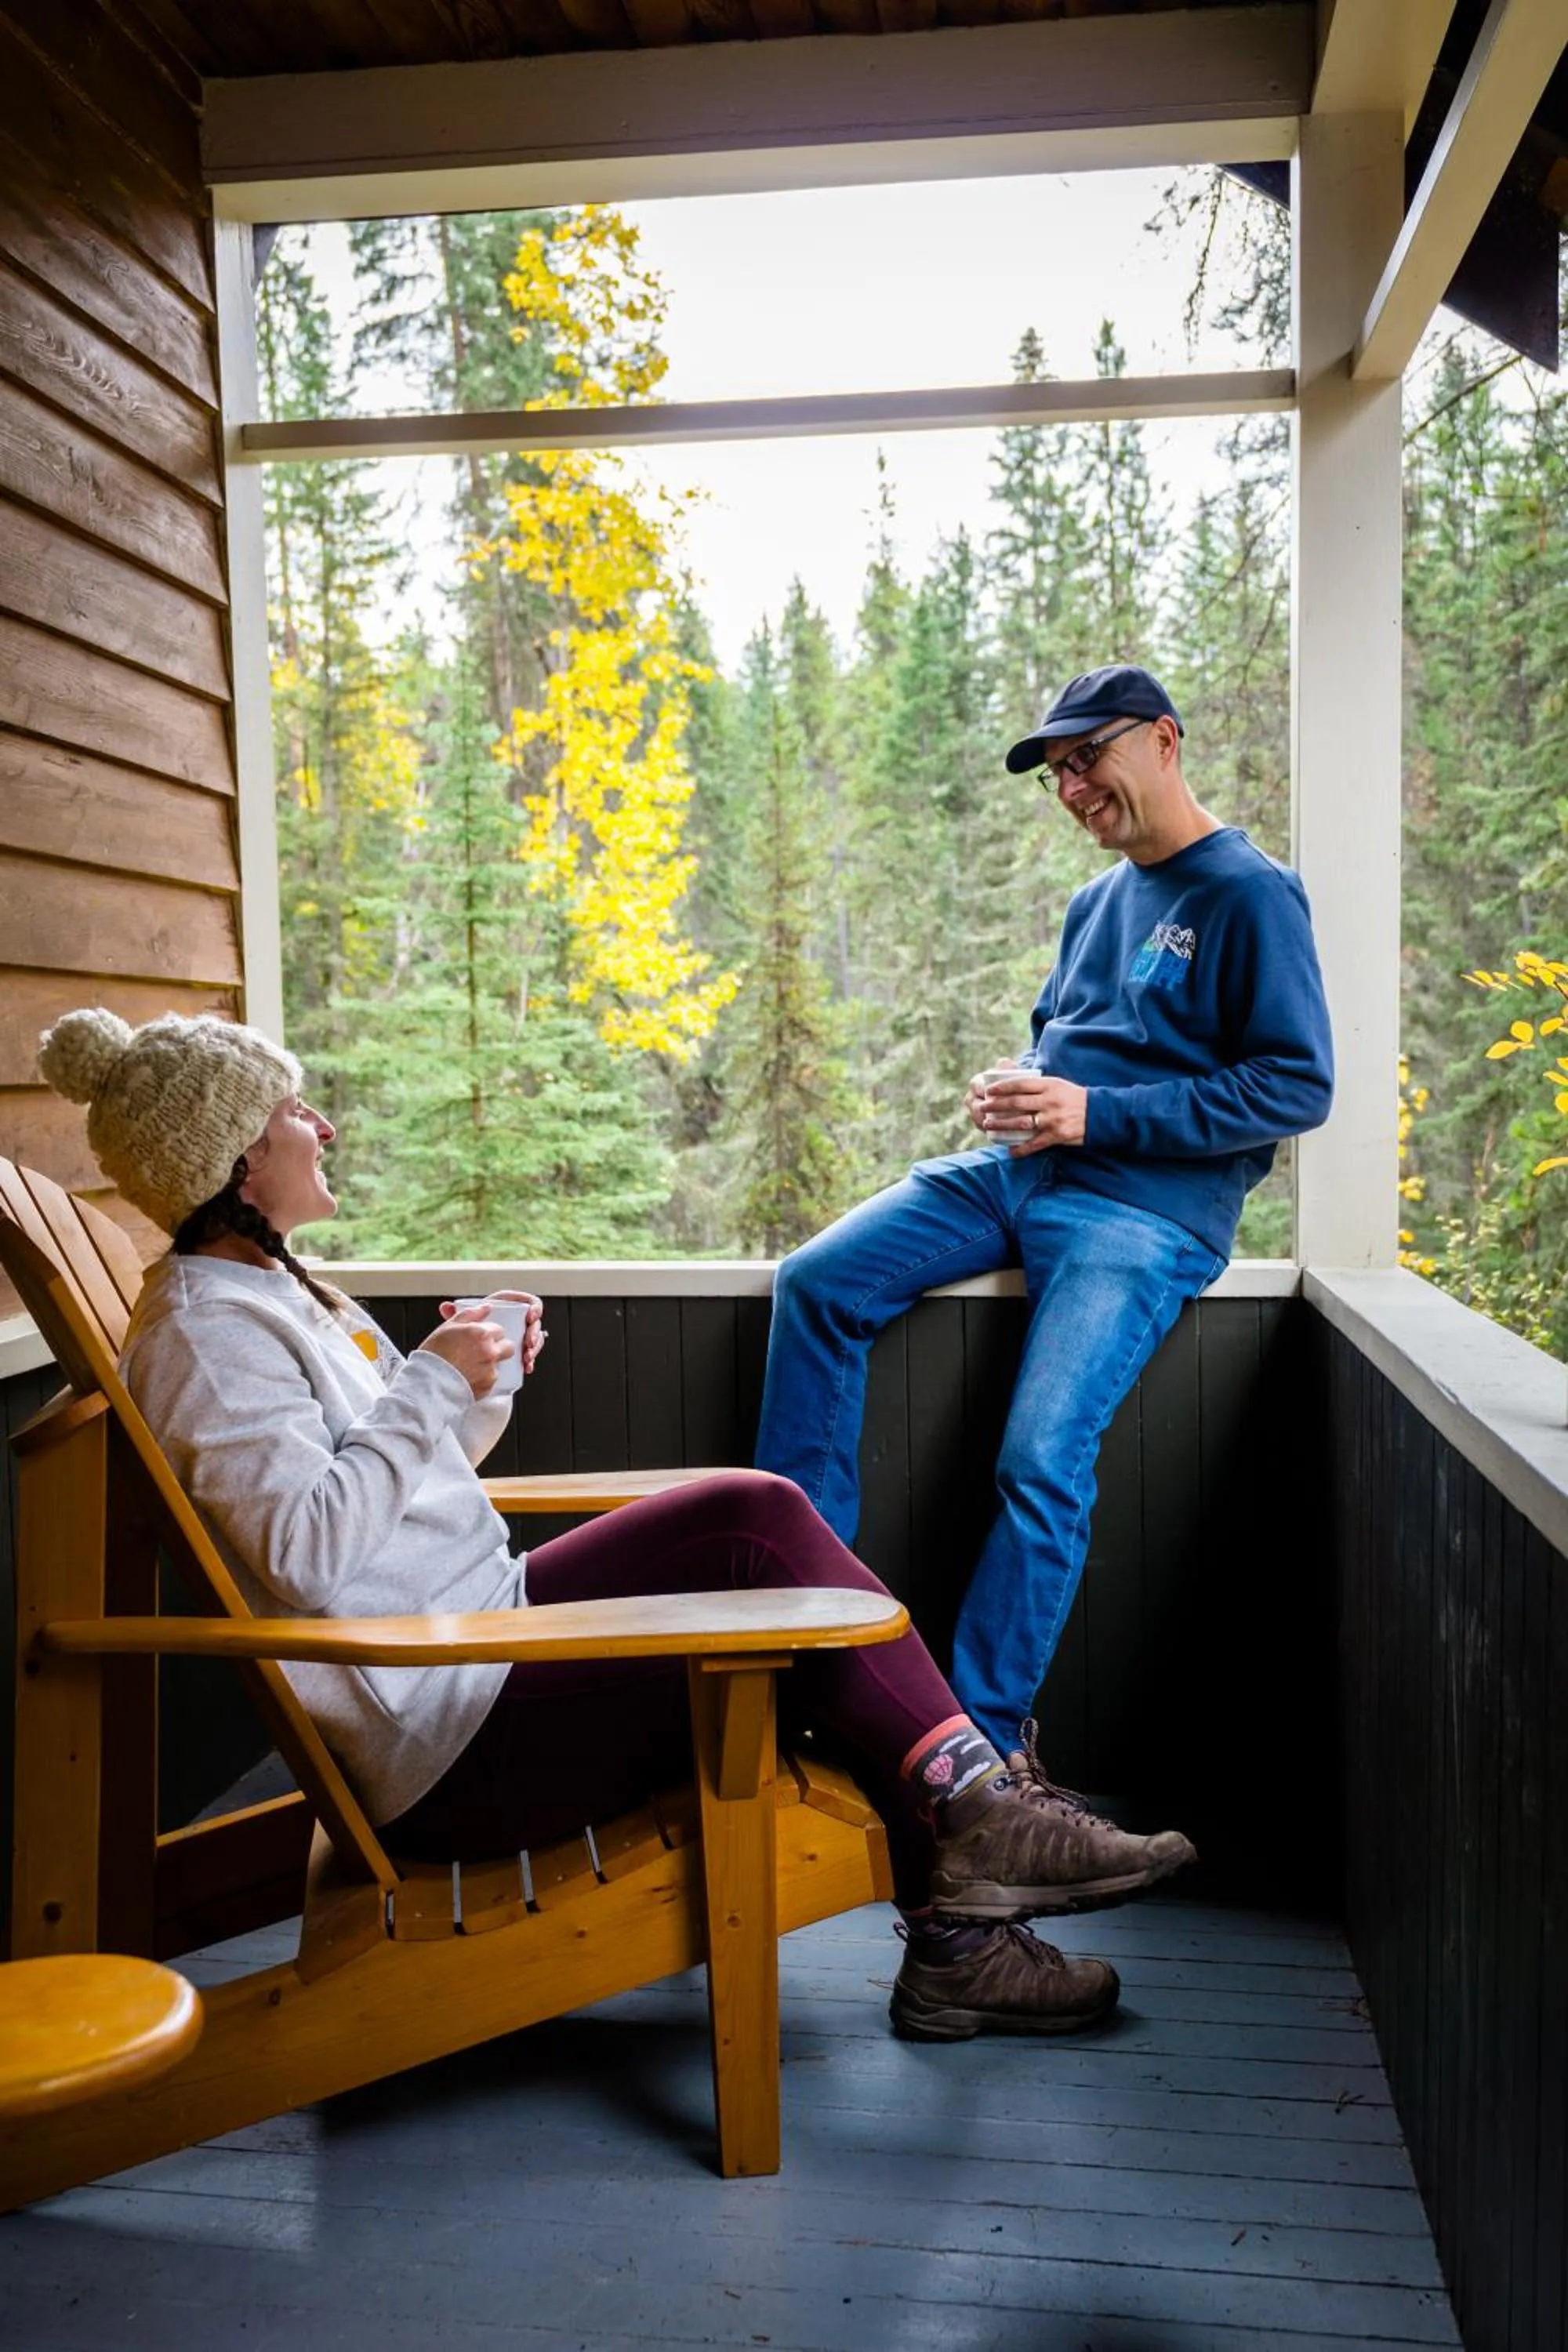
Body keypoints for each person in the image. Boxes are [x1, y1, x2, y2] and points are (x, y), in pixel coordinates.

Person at [36, 1004, 1198, 2046]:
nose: (321, 1125)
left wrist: (479, 1391)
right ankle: (971, 1858)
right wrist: (434, 1383)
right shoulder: (207, 1339)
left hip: (478, 1643)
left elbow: (402, 1484)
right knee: (760, 1546)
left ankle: (965, 1894)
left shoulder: (280, 1292)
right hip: (454, 1730)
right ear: (235, 1160)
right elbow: (303, 1554)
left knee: (756, 1519)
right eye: (293, 1109)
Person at [755, 663, 1334, 1755]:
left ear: (1163, 741)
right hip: (1020, 1174)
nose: (1072, 788)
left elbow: (1295, 1088)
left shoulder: (1251, 894)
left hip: (1143, 1217)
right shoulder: (1096, 901)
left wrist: (1095, 1112)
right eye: (1057, 772)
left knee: (1039, 1457)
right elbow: (1057, 1038)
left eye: (1088, 759)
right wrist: (1019, 1088)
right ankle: (802, 1629)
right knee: (816, 1284)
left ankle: (978, 1746)